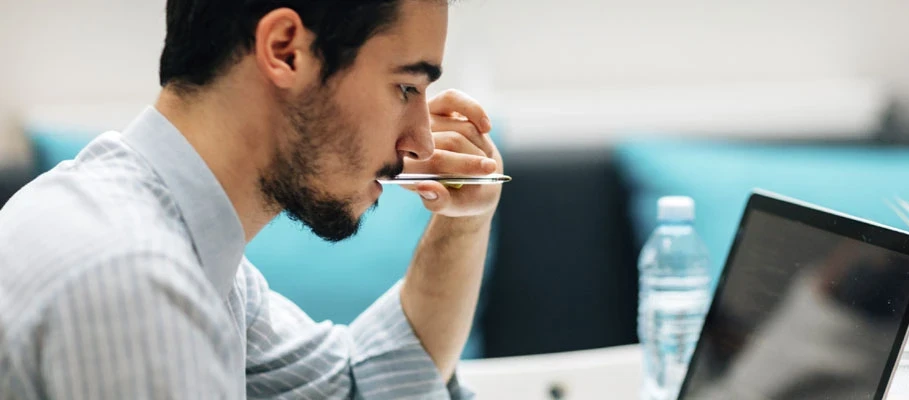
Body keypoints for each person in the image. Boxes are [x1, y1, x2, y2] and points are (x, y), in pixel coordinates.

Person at [0, 0, 503, 398]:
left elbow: (363, 383)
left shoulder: (182, 243)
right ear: (286, 50)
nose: (421, 142)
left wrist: (465, 220)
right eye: (406, 87)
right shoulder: (135, 281)